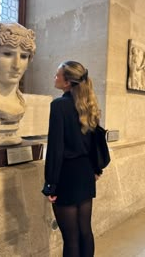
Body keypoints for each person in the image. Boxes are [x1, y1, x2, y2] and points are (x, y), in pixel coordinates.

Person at [42, 61, 102, 257]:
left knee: (71, 237)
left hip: (67, 175)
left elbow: (55, 148)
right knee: (85, 231)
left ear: (67, 82)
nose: (54, 77)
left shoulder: (59, 105)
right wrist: (96, 168)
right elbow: (95, 142)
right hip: (85, 173)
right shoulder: (89, 104)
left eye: (57, 74)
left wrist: (51, 183)